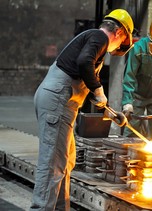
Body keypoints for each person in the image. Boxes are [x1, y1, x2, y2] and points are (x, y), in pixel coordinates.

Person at [31, 9, 133, 210]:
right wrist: (98, 89)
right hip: (58, 102)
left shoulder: (91, 39)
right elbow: (84, 62)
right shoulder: (99, 36)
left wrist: (105, 106)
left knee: (65, 161)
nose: (116, 48)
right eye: (120, 43)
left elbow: (82, 72)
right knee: (52, 165)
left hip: (60, 102)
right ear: (119, 32)